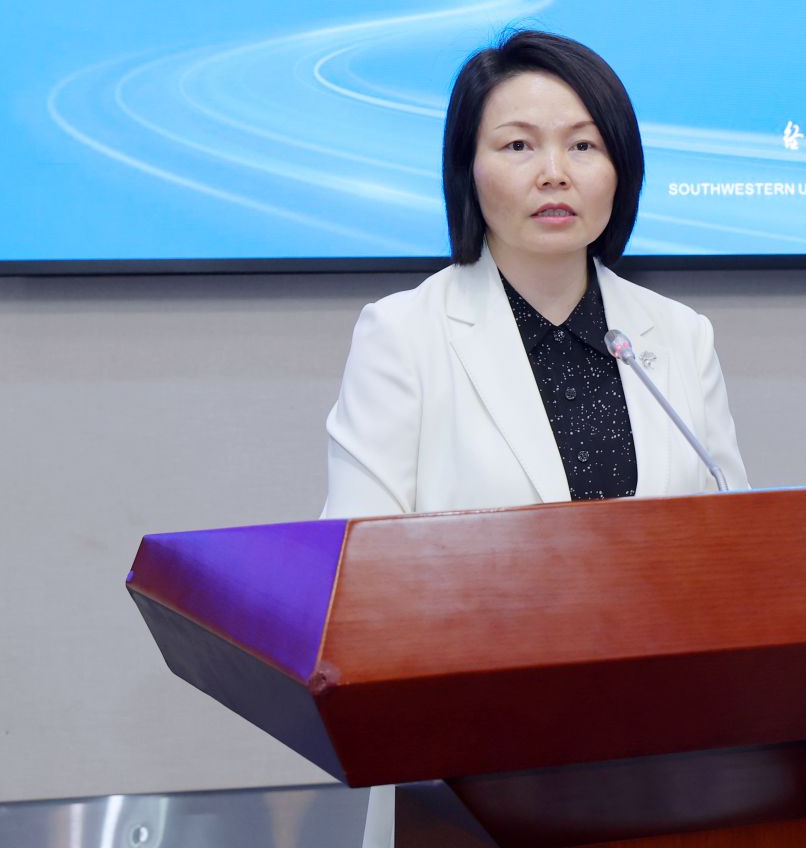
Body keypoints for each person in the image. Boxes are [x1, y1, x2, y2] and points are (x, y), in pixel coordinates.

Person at [321, 29, 749, 521]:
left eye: (583, 145)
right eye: (518, 145)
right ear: (467, 169)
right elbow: (357, 547)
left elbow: (735, 529)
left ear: (622, 167)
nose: (554, 173)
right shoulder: (403, 337)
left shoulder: (682, 335)